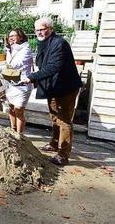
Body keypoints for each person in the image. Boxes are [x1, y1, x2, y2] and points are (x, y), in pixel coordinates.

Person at [24, 17, 83, 166]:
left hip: (66, 87)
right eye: (37, 30)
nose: (40, 32)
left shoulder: (59, 44)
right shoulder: (43, 43)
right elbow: (42, 65)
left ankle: (63, 154)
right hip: (54, 87)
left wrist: (32, 78)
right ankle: (54, 143)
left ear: (51, 29)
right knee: (54, 118)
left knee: (64, 121)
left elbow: (52, 67)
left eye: (43, 29)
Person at [0, 29, 34, 133]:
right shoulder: (10, 50)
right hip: (11, 84)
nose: (11, 38)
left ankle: (20, 134)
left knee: (19, 110)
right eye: (10, 36)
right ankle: (13, 130)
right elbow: (8, 62)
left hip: (22, 84)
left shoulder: (25, 50)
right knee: (12, 108)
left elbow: (15, 65)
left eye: (13, 36)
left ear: (21, 37)